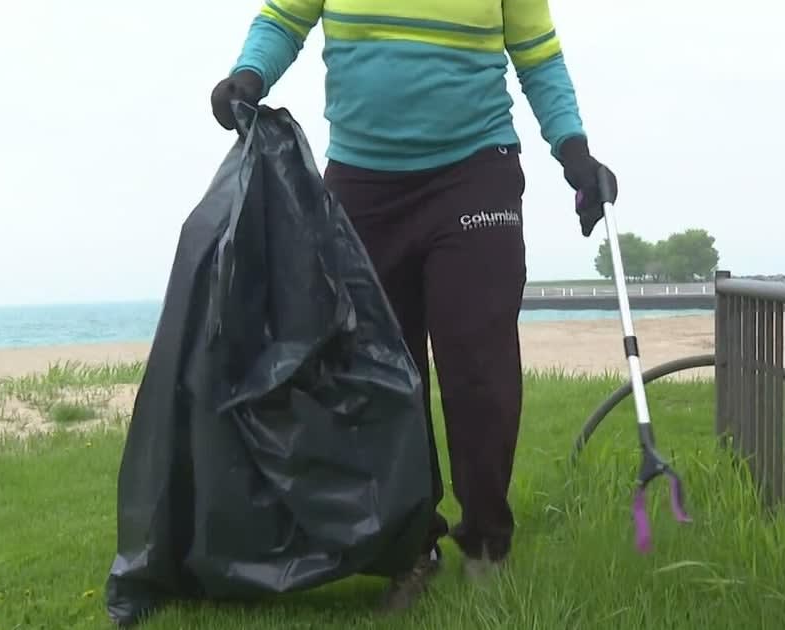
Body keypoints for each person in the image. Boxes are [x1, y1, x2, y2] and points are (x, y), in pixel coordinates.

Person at [210, 0, 618, 612]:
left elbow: (538, 56)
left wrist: (573, 149)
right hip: (363, 183)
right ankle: (412, 546)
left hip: (476, 171)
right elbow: (283, 19)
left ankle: (486, 542)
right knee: (383, 375)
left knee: (478, 366)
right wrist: (250, 73)